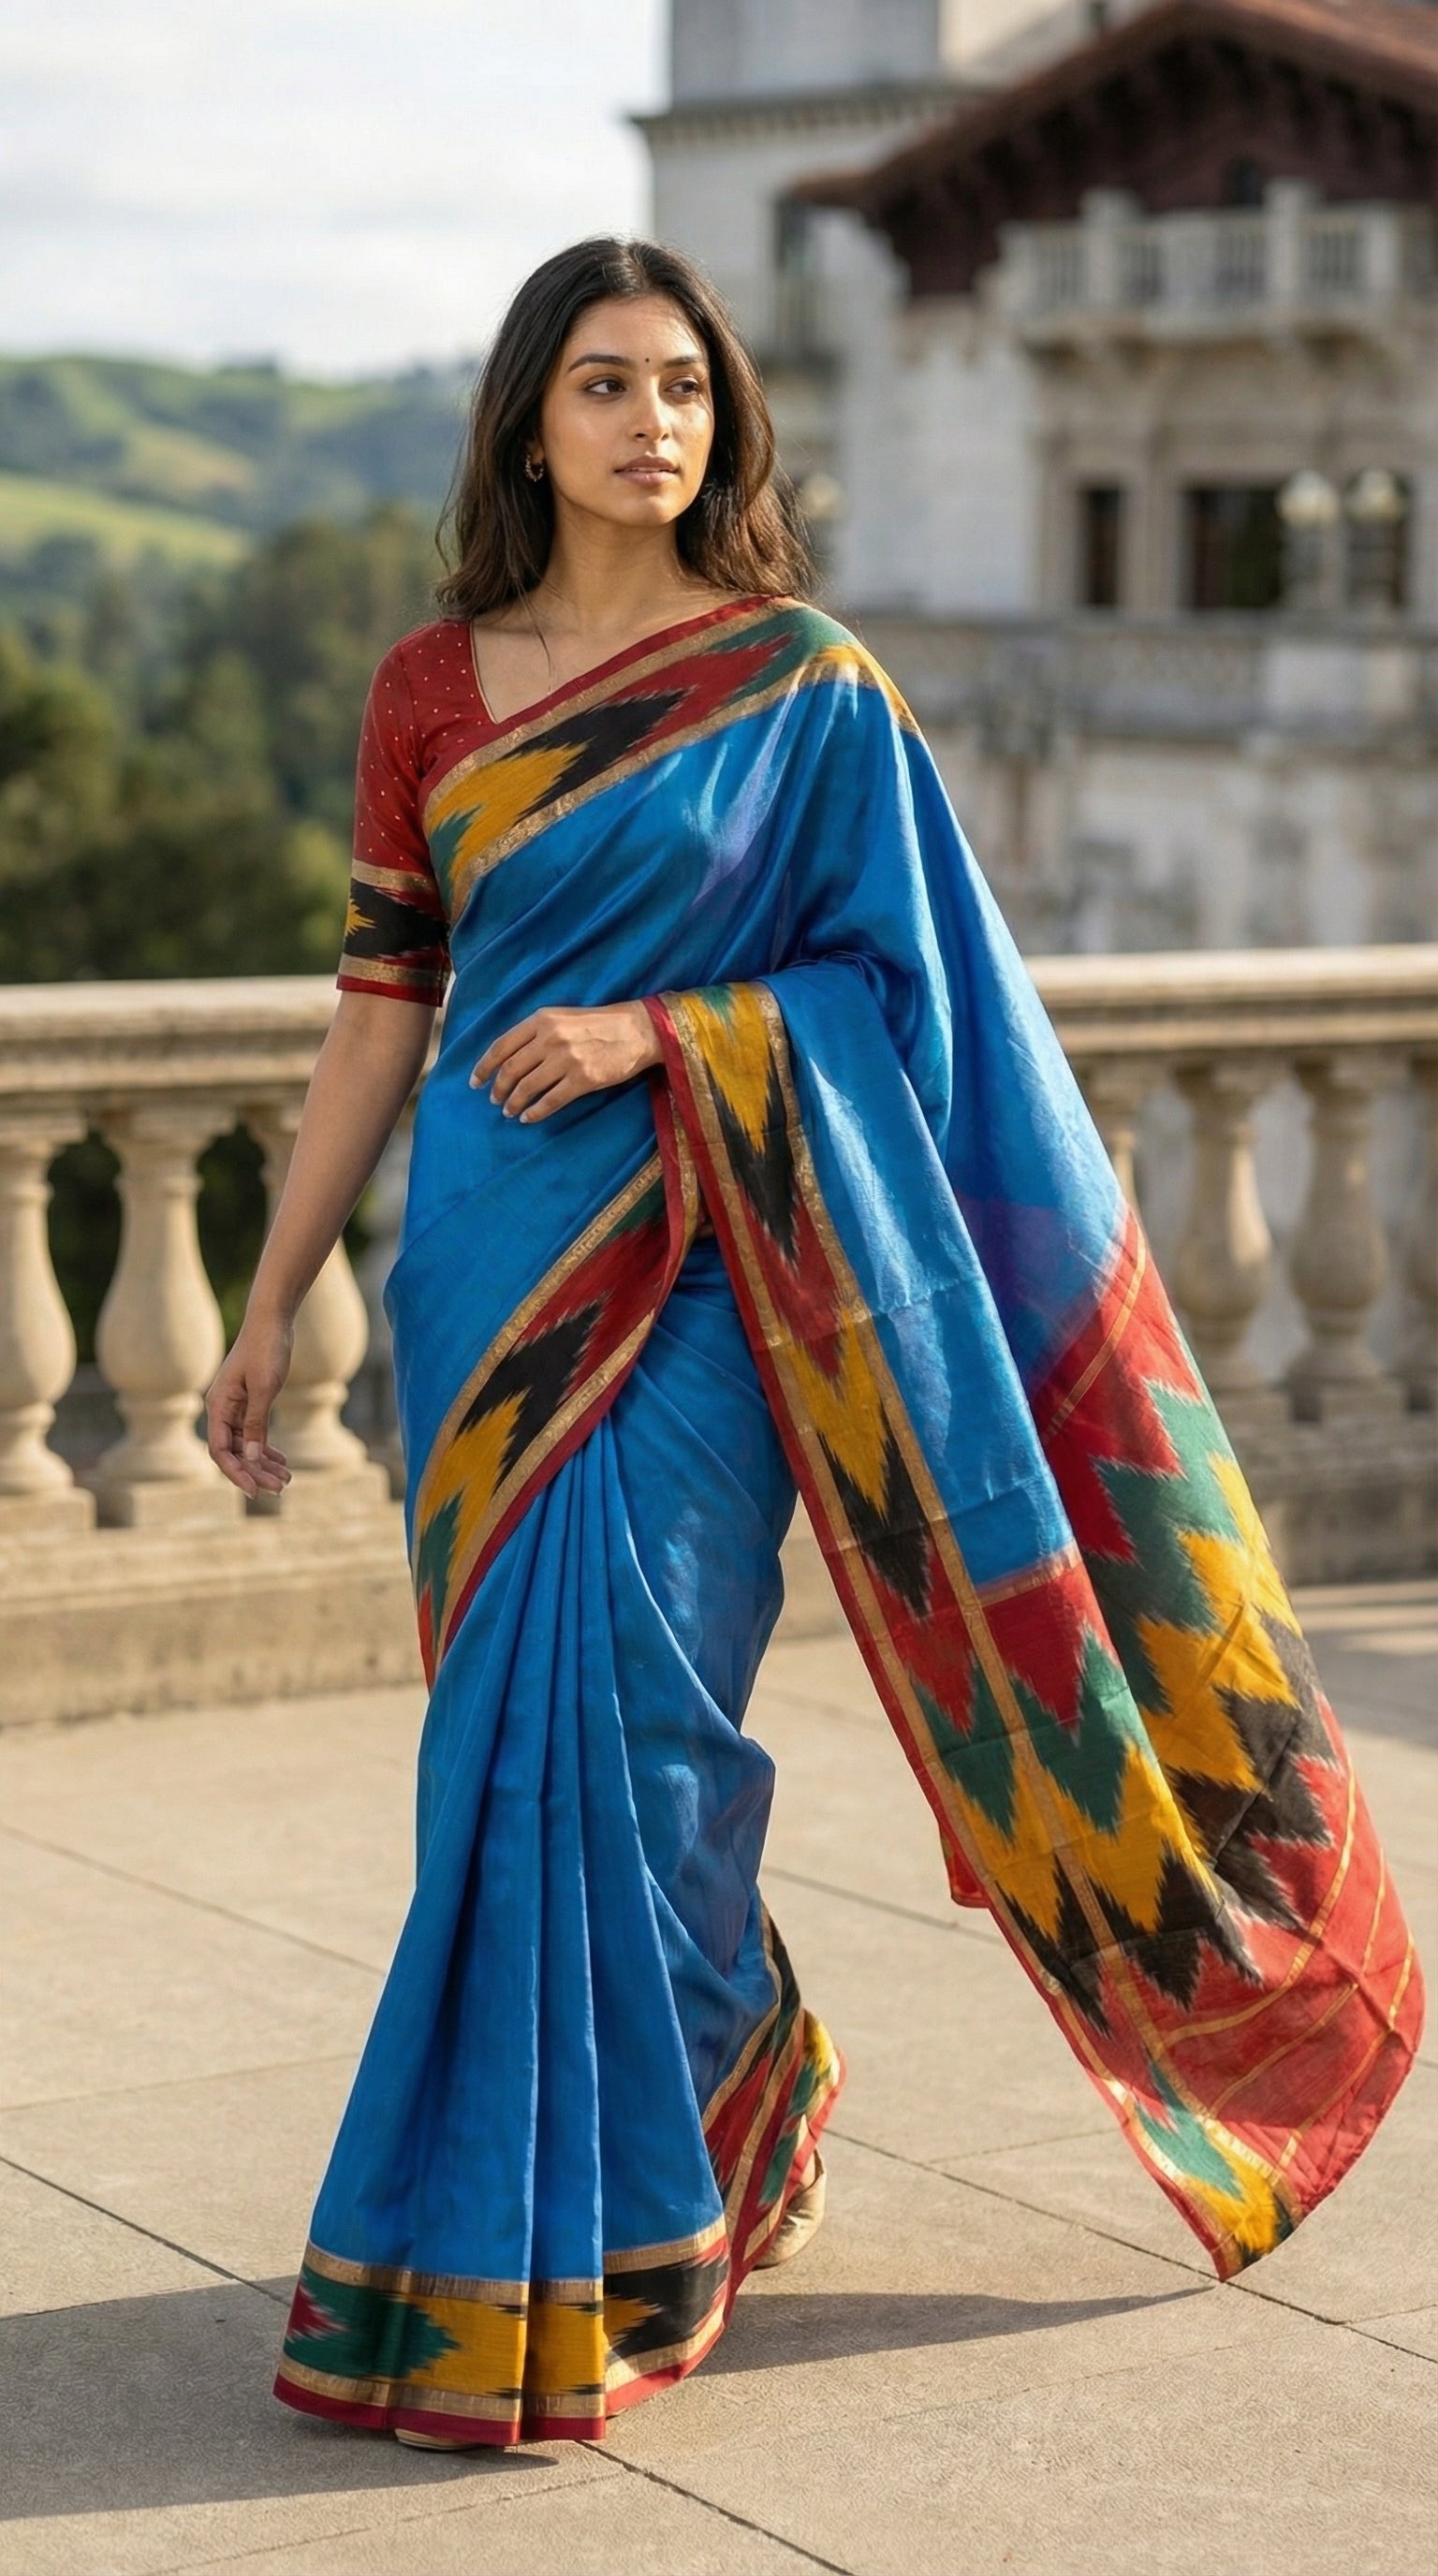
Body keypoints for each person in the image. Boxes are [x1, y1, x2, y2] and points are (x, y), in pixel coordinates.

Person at [207, 238, 1421, 2454]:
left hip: (712, 1263)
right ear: (529, 420)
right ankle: (711, 2086)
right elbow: (380, 1004)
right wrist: (273, 1297)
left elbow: (905, 995)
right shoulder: (429, 689)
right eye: (603, 383)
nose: (650, 421)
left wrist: (666, 1031)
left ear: (727, 422)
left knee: (644, 1716)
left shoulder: (804, 686)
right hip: (483, 1272)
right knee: (506, 1753)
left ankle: (654, 2190)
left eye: (684, 385)